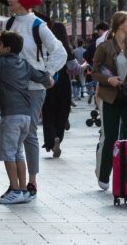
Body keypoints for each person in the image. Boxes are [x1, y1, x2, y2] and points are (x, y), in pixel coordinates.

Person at [0, 31, 54, 205]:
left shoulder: (1, 63)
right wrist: (50, 80)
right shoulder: (24, 63)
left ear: (7, 48)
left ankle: (14, 189)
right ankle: (22, 190)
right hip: (26, 116)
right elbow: (43, 78)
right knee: (18, 153)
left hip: (11, 116)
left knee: (8, 154)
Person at [5, 0, 67, 199]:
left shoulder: (38, 25)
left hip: (34, 88)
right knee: (14, 132)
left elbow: (59, 52)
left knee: (29, 131)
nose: (9, 0)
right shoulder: (9, 22)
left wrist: (47, 74)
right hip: (13, 87)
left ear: (22, 0)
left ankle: (31, 181)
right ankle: (17, 183)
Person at [93, 11, 127, 191]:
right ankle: (104, 174)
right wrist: (109, 80)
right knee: (110, 135)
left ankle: (126, 175)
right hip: (109, 96)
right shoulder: (104, 47)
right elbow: (94, 71)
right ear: (120, 24)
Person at [42, 18, 74, 158]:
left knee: (48, 112)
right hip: (64, 83)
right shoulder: (67, 49)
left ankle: (51, 139)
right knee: (62, 112)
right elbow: (74, 69)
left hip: (48, 82)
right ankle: (58, 139)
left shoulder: (46, 48)